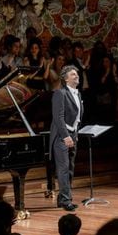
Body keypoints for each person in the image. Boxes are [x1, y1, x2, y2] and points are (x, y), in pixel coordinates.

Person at [49, 65, 83, 211]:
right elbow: (58, 117)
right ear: (65, 78)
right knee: (63, 168)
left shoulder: (78, 94)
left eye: (77, 74)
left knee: (70, 169)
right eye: (73, 74)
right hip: (61, 136)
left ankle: (63, 198)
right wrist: (66, 136)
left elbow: (78, 116)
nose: (77, 76)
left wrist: (75, 133)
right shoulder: (60, 93)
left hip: (72, 135)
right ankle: (66, 200)